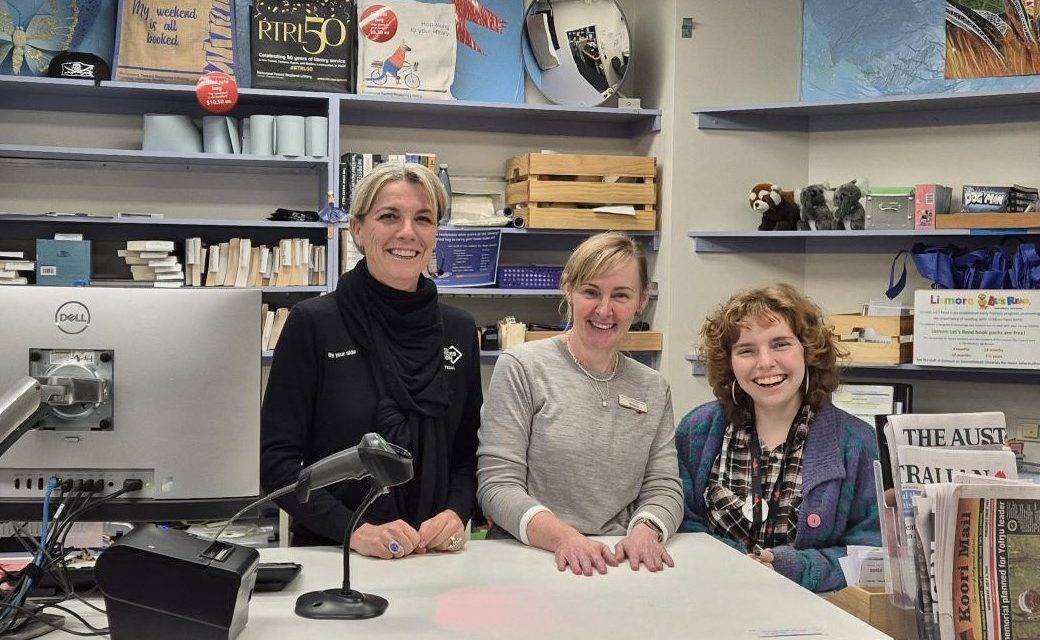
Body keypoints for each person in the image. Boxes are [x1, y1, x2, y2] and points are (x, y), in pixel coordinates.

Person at [261, 162, 482, 559]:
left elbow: (467, 455)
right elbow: (277, 465)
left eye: (424, 219)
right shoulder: (313, 324)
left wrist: (455, 512)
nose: (407, 233)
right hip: (339, 557)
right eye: (389, 216)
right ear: (358, 230)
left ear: (435, 235)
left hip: (434, 559)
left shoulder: (460, 331)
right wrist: (356, 531)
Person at [477, 232, 683, 576]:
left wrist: (646, 531)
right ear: (568, 289)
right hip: (531, 559)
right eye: (591, 292)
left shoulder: (653, 387)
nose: (604, 309)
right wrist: (564, 539)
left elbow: (664, 486)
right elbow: (497, 486)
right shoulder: (522, 368)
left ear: (641, 301)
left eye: (621, 295)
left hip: (617, 563)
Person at [675, 283, 881, 592]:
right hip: (712, 599)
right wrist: (734, 562)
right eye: (747, 350)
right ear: (729, 361)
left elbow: (872, 556)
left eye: (780, 344)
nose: (765, 362)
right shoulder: (697, 431)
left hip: (817, 616)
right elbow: (683, 526)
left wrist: (794, 567)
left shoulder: (857, 443)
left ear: (808, 351)